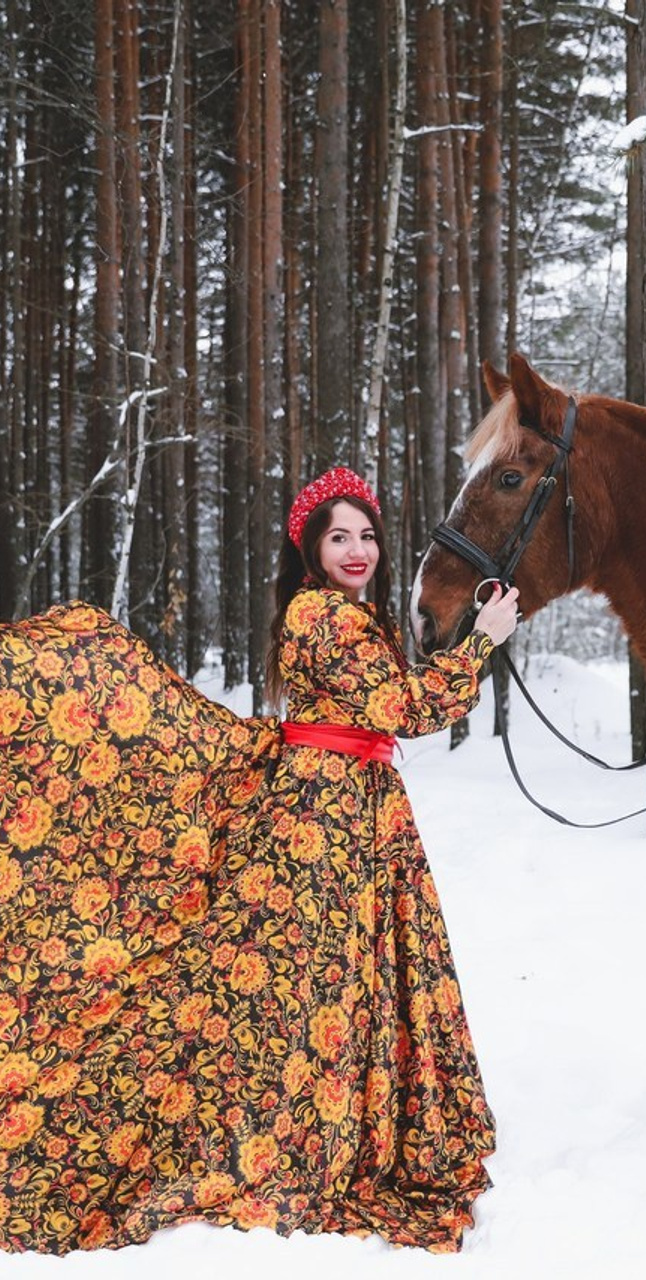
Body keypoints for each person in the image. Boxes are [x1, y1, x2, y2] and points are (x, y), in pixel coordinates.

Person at [0, 466, 517, 1254]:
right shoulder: (322, 613)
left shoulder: (347, 614)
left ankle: (330, 1129)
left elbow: (377, 701)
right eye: (338, 536)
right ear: (310, 548)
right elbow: (405, 708)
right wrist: (483, 642)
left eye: (367, 535)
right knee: (312, 987)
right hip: (323, 823)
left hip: (354, 808)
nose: (357, 549)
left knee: (334, 985)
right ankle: (287, 1142)